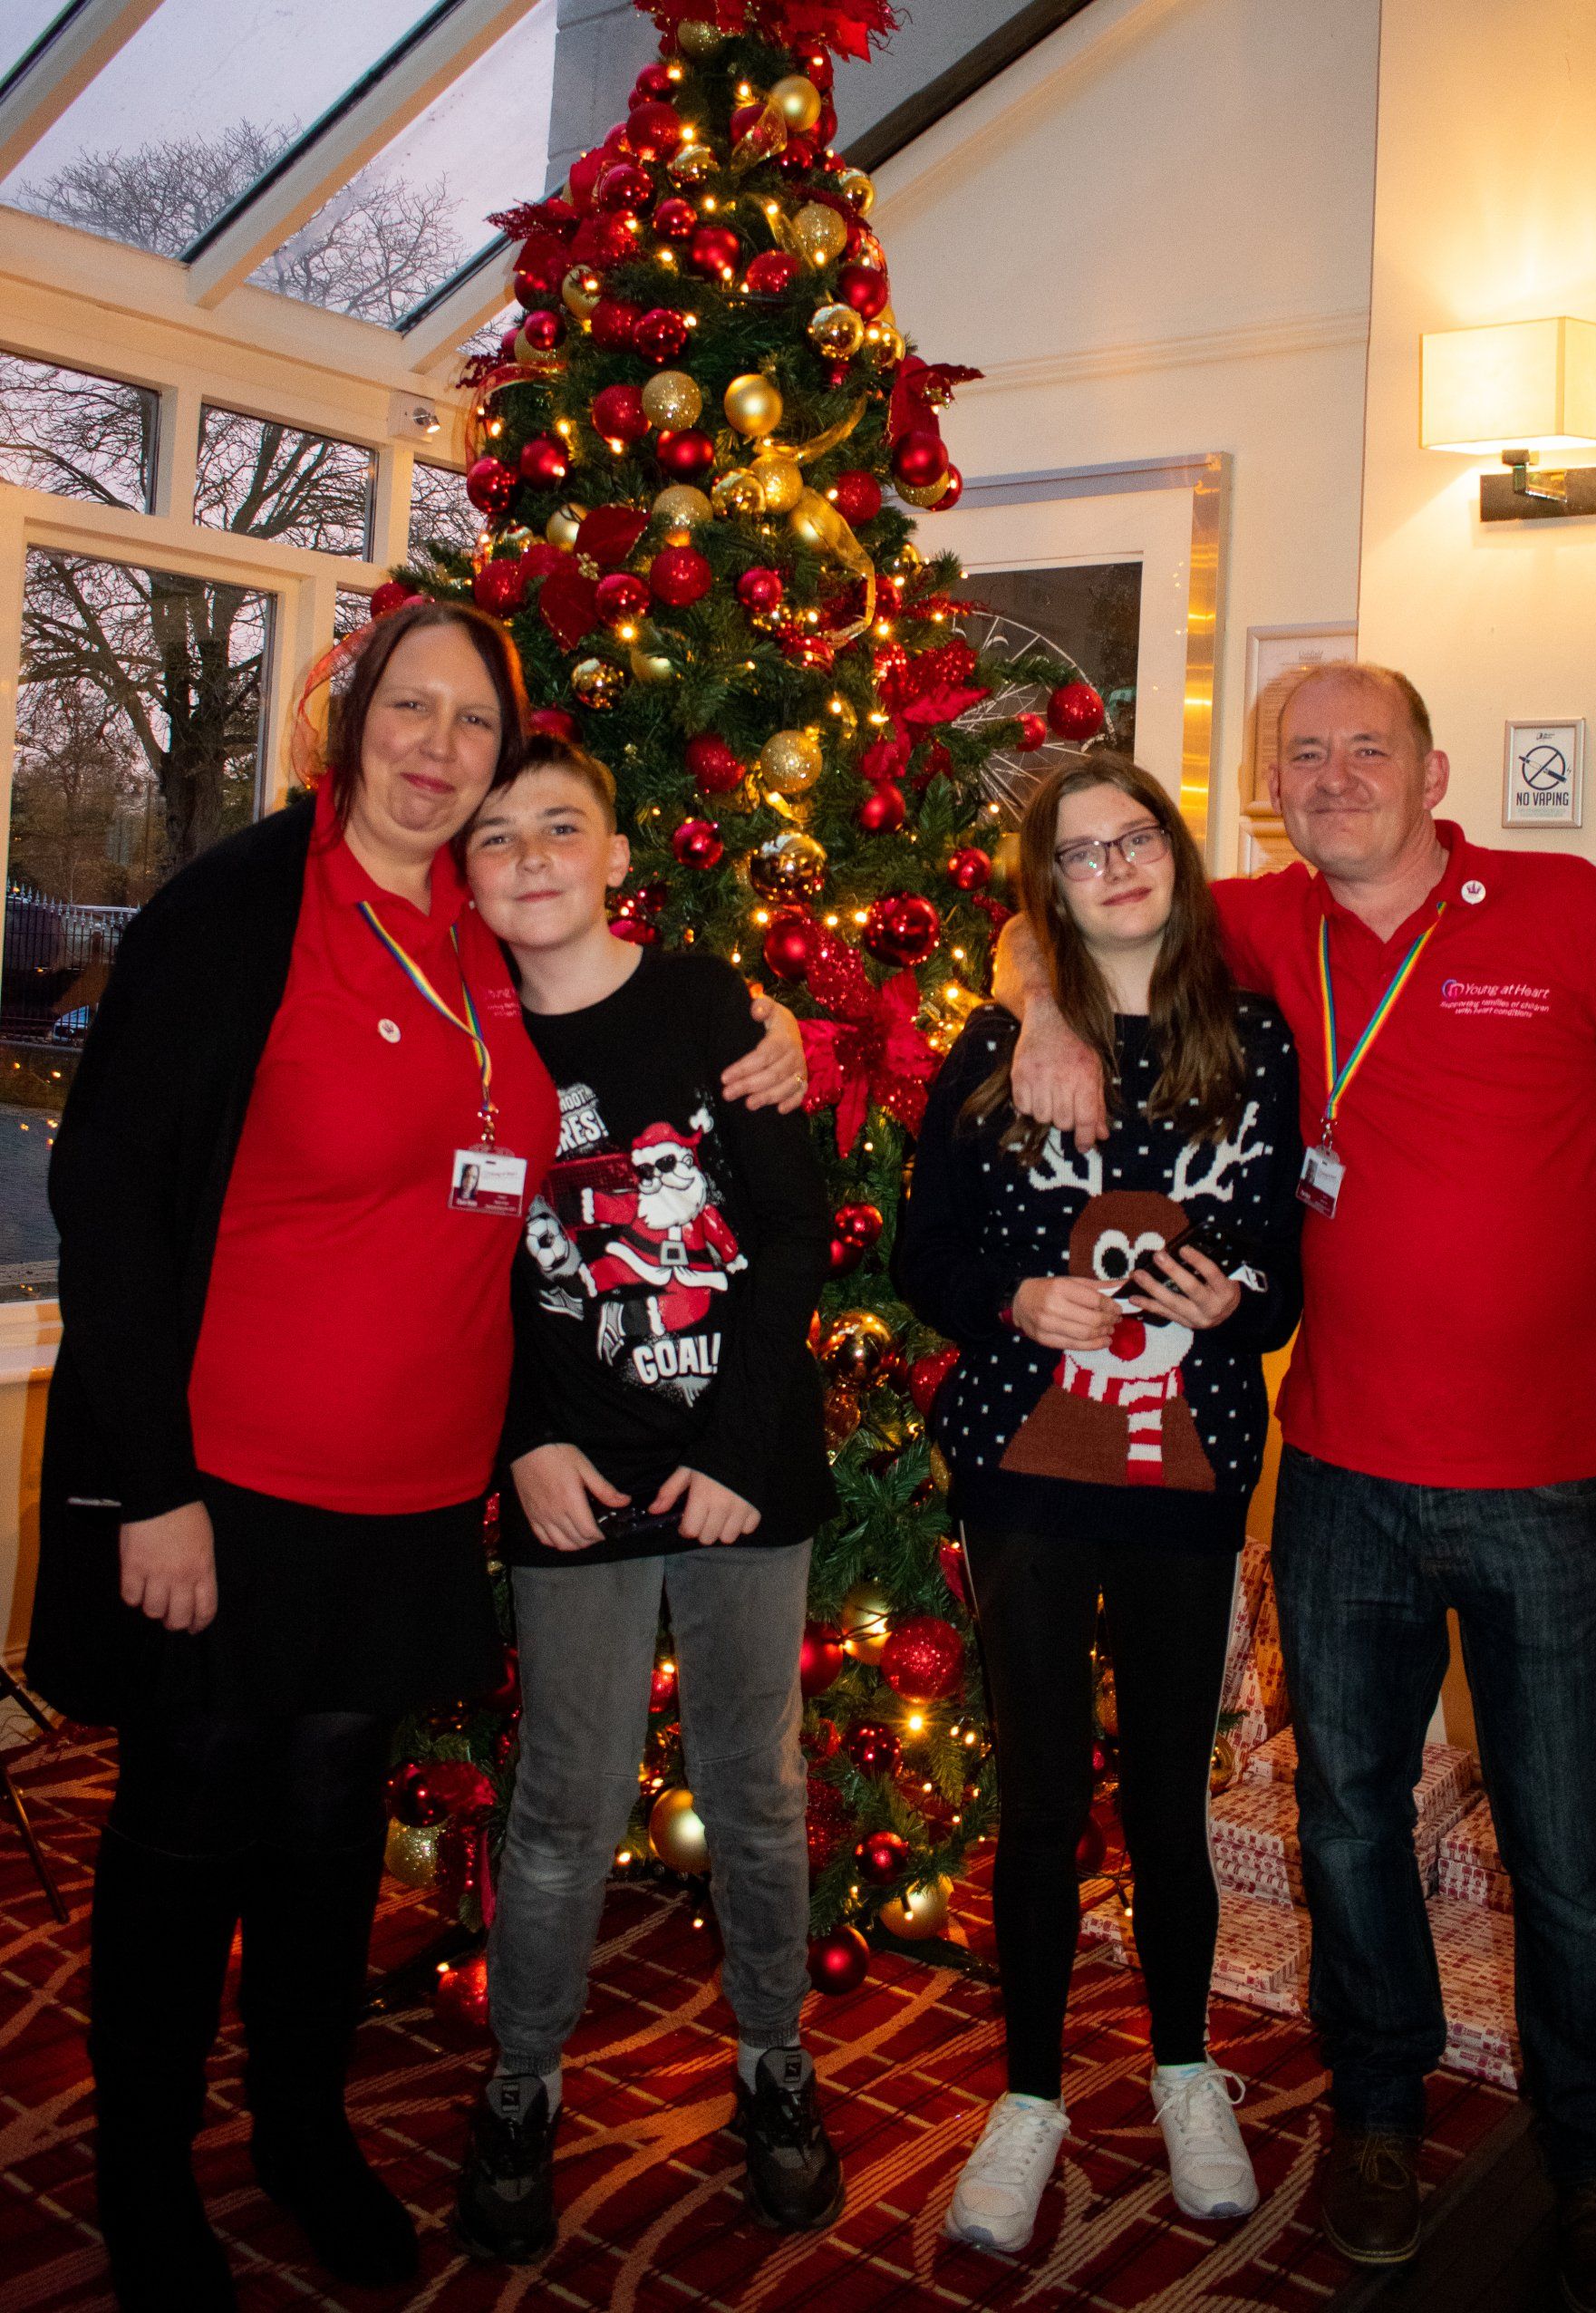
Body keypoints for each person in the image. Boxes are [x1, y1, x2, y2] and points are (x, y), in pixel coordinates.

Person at [24, 603, 805, 2313]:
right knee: (186, 1836)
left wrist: (769, 1033)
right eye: (412, 709)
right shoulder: (245, 909)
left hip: (411, 1492)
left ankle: (303, 2133)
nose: (441, 749)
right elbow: (113, 1199)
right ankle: (143, 2171)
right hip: (228, 1483)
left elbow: (630, 1050)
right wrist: (150, 1483)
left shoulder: (480, 929)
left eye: (475, 724)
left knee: (326, 1835)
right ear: (352, 719)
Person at [994, 667, 1596, 2313]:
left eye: (1365, 749)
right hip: (1337, 1471)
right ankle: (1380, 2116)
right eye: (1303, 755)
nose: (1332, 777)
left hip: (1539, 1477)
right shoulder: (1261, 924)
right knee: (1347, 1823)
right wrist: (1040, 1009)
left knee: (1570, 1841)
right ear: (1275, 788)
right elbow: (1062, 911)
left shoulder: (1564, 908)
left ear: (1433, 772)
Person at [895, 754, 1303, 2256]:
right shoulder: (996, 1046)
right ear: (1048, 891)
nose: (1117, 866)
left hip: (1186, 1474)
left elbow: (1284, 1278)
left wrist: (1236, 1300)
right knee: (1044, 1800)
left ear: (1175, 858)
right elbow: (924, 1256)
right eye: (1082, 853)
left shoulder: (1255, 1042)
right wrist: (1013, 1298)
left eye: (1138, 838)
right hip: (1027, 1473)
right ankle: (1031, 2096)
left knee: (1170, 1799)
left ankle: (1185, 2071)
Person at [451, 736, 841, 2262]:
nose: (532, 859)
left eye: (562, 828)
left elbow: (793, 1230)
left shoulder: (709, 1006)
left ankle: (775, 2061)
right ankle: (522, 2081)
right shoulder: (469, 1042)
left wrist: (739, 1451)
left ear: (618, 857)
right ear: (467, 876)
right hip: (574, 1481)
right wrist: (520, 1445)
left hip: (745, 1474)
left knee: (758, 1788)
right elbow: (452, 1273)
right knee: (564, 1800)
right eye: (497, 839)